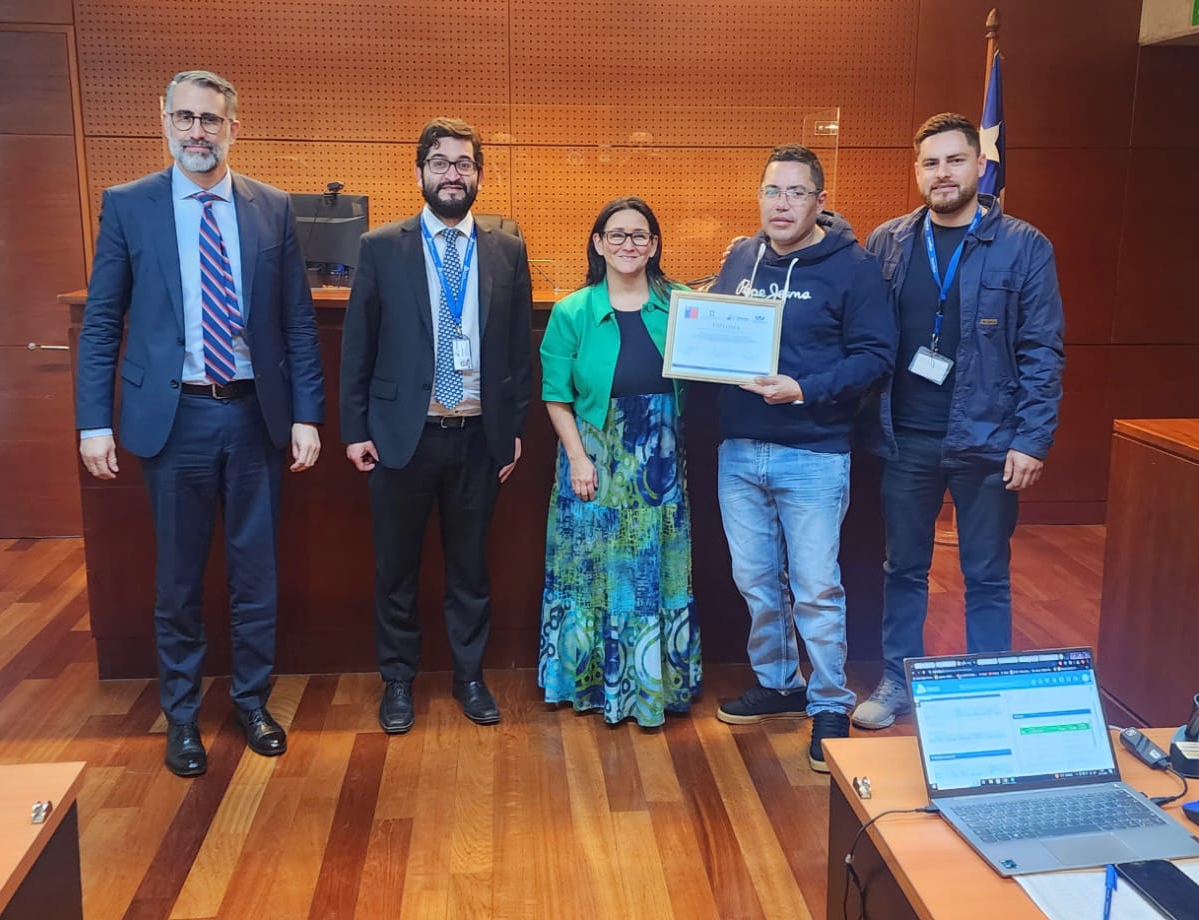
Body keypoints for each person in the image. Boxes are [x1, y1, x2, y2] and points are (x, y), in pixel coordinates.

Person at [75, 70, 325, 777]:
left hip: (254, 416)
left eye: (210, 120)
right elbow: (101, 326)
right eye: (184, 118)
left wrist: (308, 414)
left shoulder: (272, 208)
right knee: (179, 579)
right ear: (163, 121)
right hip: (173, 417)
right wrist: (93, 421)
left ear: (233, 128)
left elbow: (298, 326)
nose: (196, 132)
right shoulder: (129, 207)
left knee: (256, 573)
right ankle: (180, 716)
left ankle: (252, 701)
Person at [852, 113, 1065, 730]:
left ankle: (990, 687)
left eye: (953, 161)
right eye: (930, 163)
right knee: (903, 568)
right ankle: (899, 679)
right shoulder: (888, 240)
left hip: (990, 439)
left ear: (979, 166)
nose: (942, 173)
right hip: (905, 437)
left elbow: (1043, 350)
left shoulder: (1024, 245)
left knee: (987, 573)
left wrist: (1032, 438)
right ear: (917, 172)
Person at [340, 117, 533, 734]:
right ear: (419, 171)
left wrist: (512, 427)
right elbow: (357, 347)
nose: (454, 174)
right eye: (442, 163)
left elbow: (516, 348)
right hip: (403, 435)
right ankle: (398, 681)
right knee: (395, 569)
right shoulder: (380, 246)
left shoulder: (506, 248)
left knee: (470, 568)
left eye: (465, 164)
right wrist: (353, 428)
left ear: (478, 174)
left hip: (479, 436)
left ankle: (469, 676)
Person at [710, 144, 896, 772]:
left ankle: (829, 703)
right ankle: (780, 681)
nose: (781, 204)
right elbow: (715, 328)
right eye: (771, 191)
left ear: (819, 200)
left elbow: (875, 356)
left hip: (814, 452)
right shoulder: (740, 256)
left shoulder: (854, 267)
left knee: (816, 587)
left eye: (795, 192)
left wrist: (805, 388)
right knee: (756, 581)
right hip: (739, 450)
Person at [537, 197, 701, 727]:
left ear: (654, 245)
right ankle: (590, 686)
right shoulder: (572, 311)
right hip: (594, 461)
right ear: (598, 243)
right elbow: (556, 396)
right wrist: (578, 458)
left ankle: (655, 687)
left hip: (658, 464)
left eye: (639, 236)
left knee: (657, 575)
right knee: (591, 574)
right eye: (617, 235)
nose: (628, 245)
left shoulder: (679, 303)